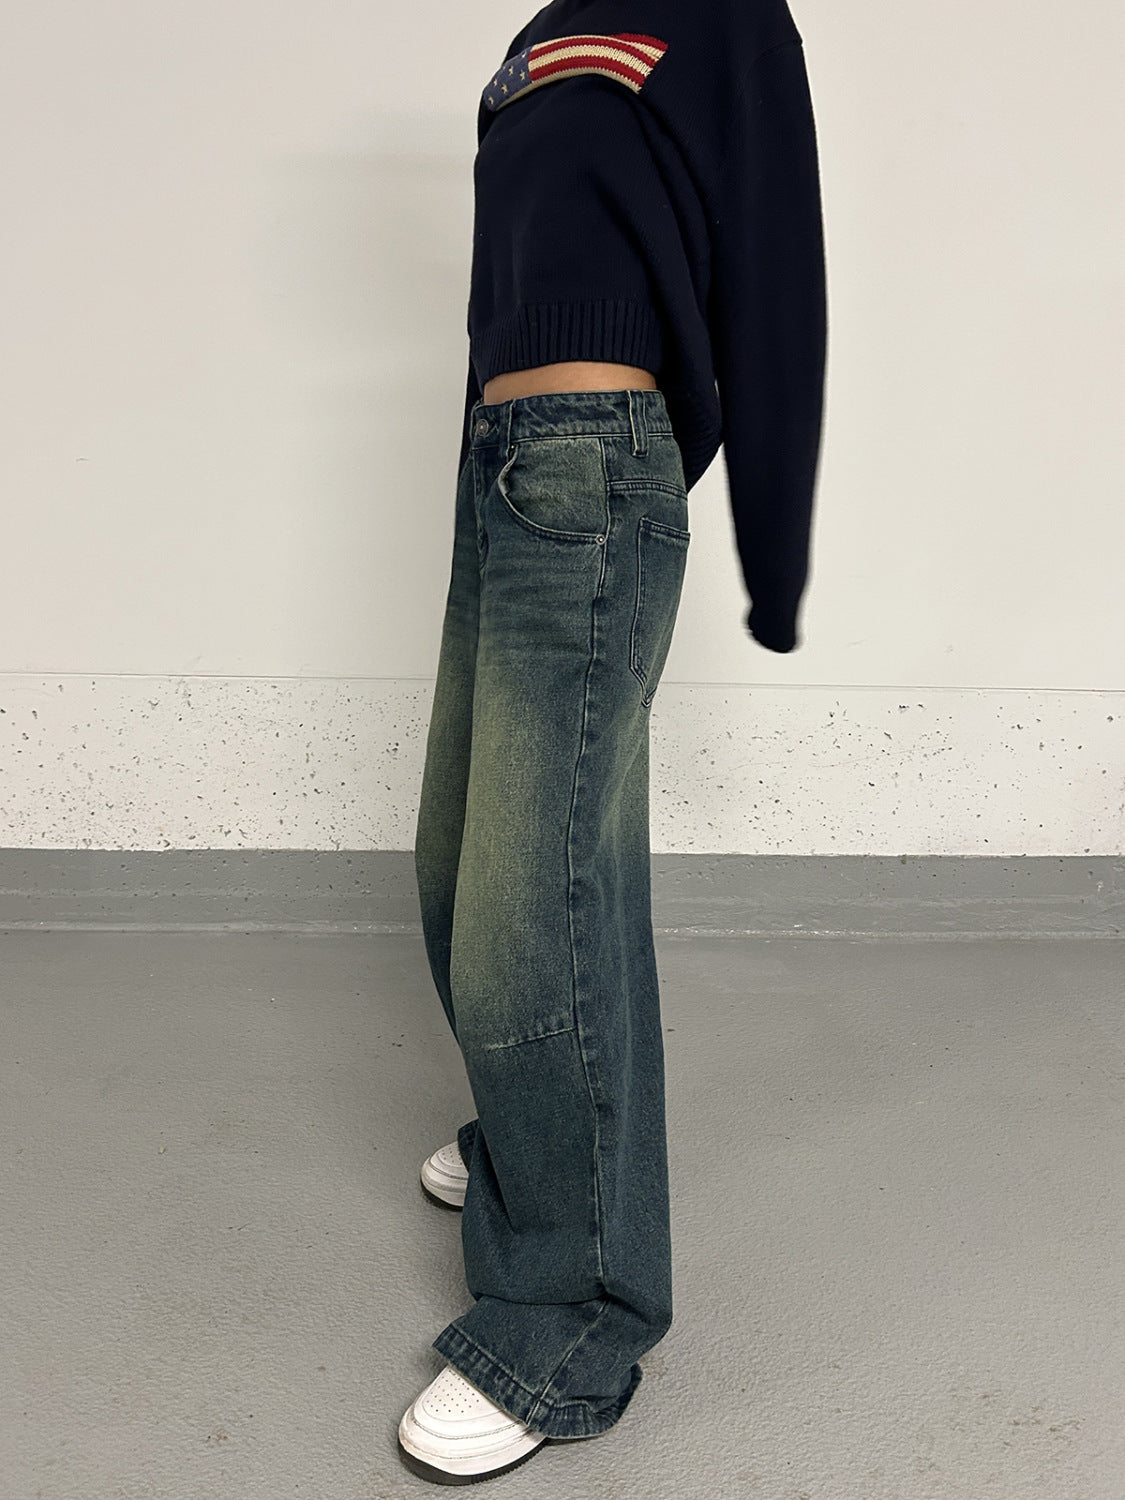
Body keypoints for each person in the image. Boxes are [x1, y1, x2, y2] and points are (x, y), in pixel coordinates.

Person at [399, 0, 827, 1483]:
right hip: (502, 466)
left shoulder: (720, 14)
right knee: (461, 868)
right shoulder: (540, 37)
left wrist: (766, 547)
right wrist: (493, 452)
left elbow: (775, 277)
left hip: (593, 469)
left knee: (534, 909)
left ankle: (572, 1312)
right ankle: (534, 1149)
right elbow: (508, 278)